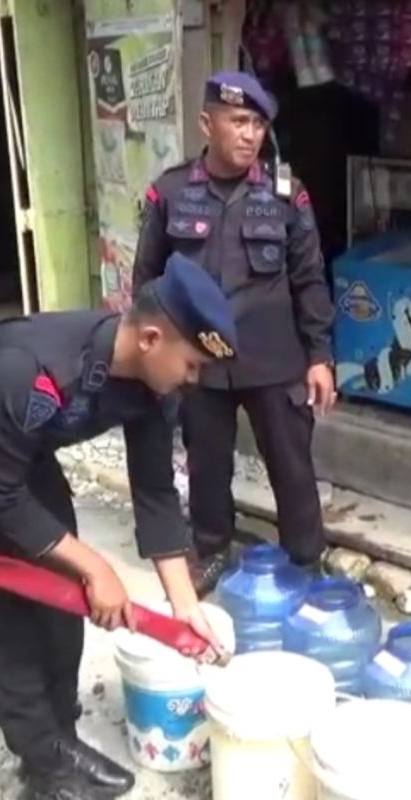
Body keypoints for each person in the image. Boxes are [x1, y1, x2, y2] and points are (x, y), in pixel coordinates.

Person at [0, 253, 237, 800]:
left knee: (65, 594)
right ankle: (45, 763)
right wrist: (97, 564)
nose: (193, 380)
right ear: (150, 339)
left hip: (19, 452)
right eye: (192, 364)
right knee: (2, 601)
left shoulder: (153, 388)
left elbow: (155, 491)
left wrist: (184, 605)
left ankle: (57, 732)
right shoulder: (33, 368)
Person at [132, 71, 336, 593]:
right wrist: (151, 358)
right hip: (198, 360)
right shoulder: (171, 193)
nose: (250, 135)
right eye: (239, 121)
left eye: (258, 124)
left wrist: (320, 355)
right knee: (206, 465)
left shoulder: (287, 194)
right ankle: (212, 550)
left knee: (291, 467)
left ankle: (307, 563)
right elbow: (147, 279)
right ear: (207, 123)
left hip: (273, 357)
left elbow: (311, 278)